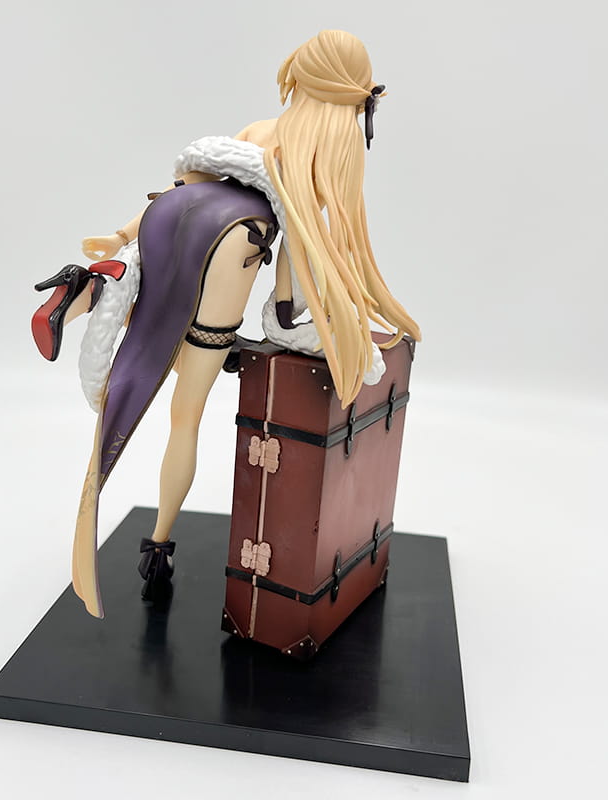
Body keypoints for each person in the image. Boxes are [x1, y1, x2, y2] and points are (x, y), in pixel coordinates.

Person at [31, 30, 421, 618]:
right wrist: (288, 309)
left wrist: (122, 233)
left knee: (152, 305)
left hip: (173, 215)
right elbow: (299, 239)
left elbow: (190, 188)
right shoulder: (319, 154)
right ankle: (158, 545)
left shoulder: (256, 131)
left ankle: (91, 286)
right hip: (236, 243)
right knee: (185, 414)